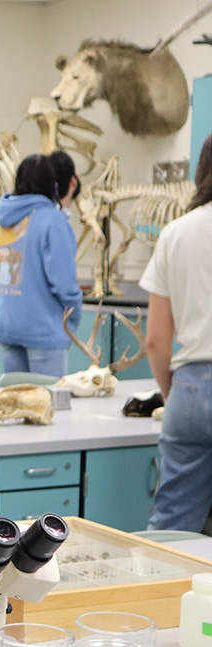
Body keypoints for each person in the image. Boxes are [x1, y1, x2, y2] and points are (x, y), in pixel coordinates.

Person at [139, 132, 212, 533]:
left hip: (190, 389)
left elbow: (155, 338)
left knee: (172, 531)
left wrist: (174, 392)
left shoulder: (176, 233)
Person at [0, 153, 83, 379]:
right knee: (47, 406)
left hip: (9, 327)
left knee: (16, 406)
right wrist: (74, 313)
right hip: (44, 331)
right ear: (51, 184)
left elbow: (11, 275)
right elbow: (64, 282)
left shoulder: (8, 220)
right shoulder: (53, 221)